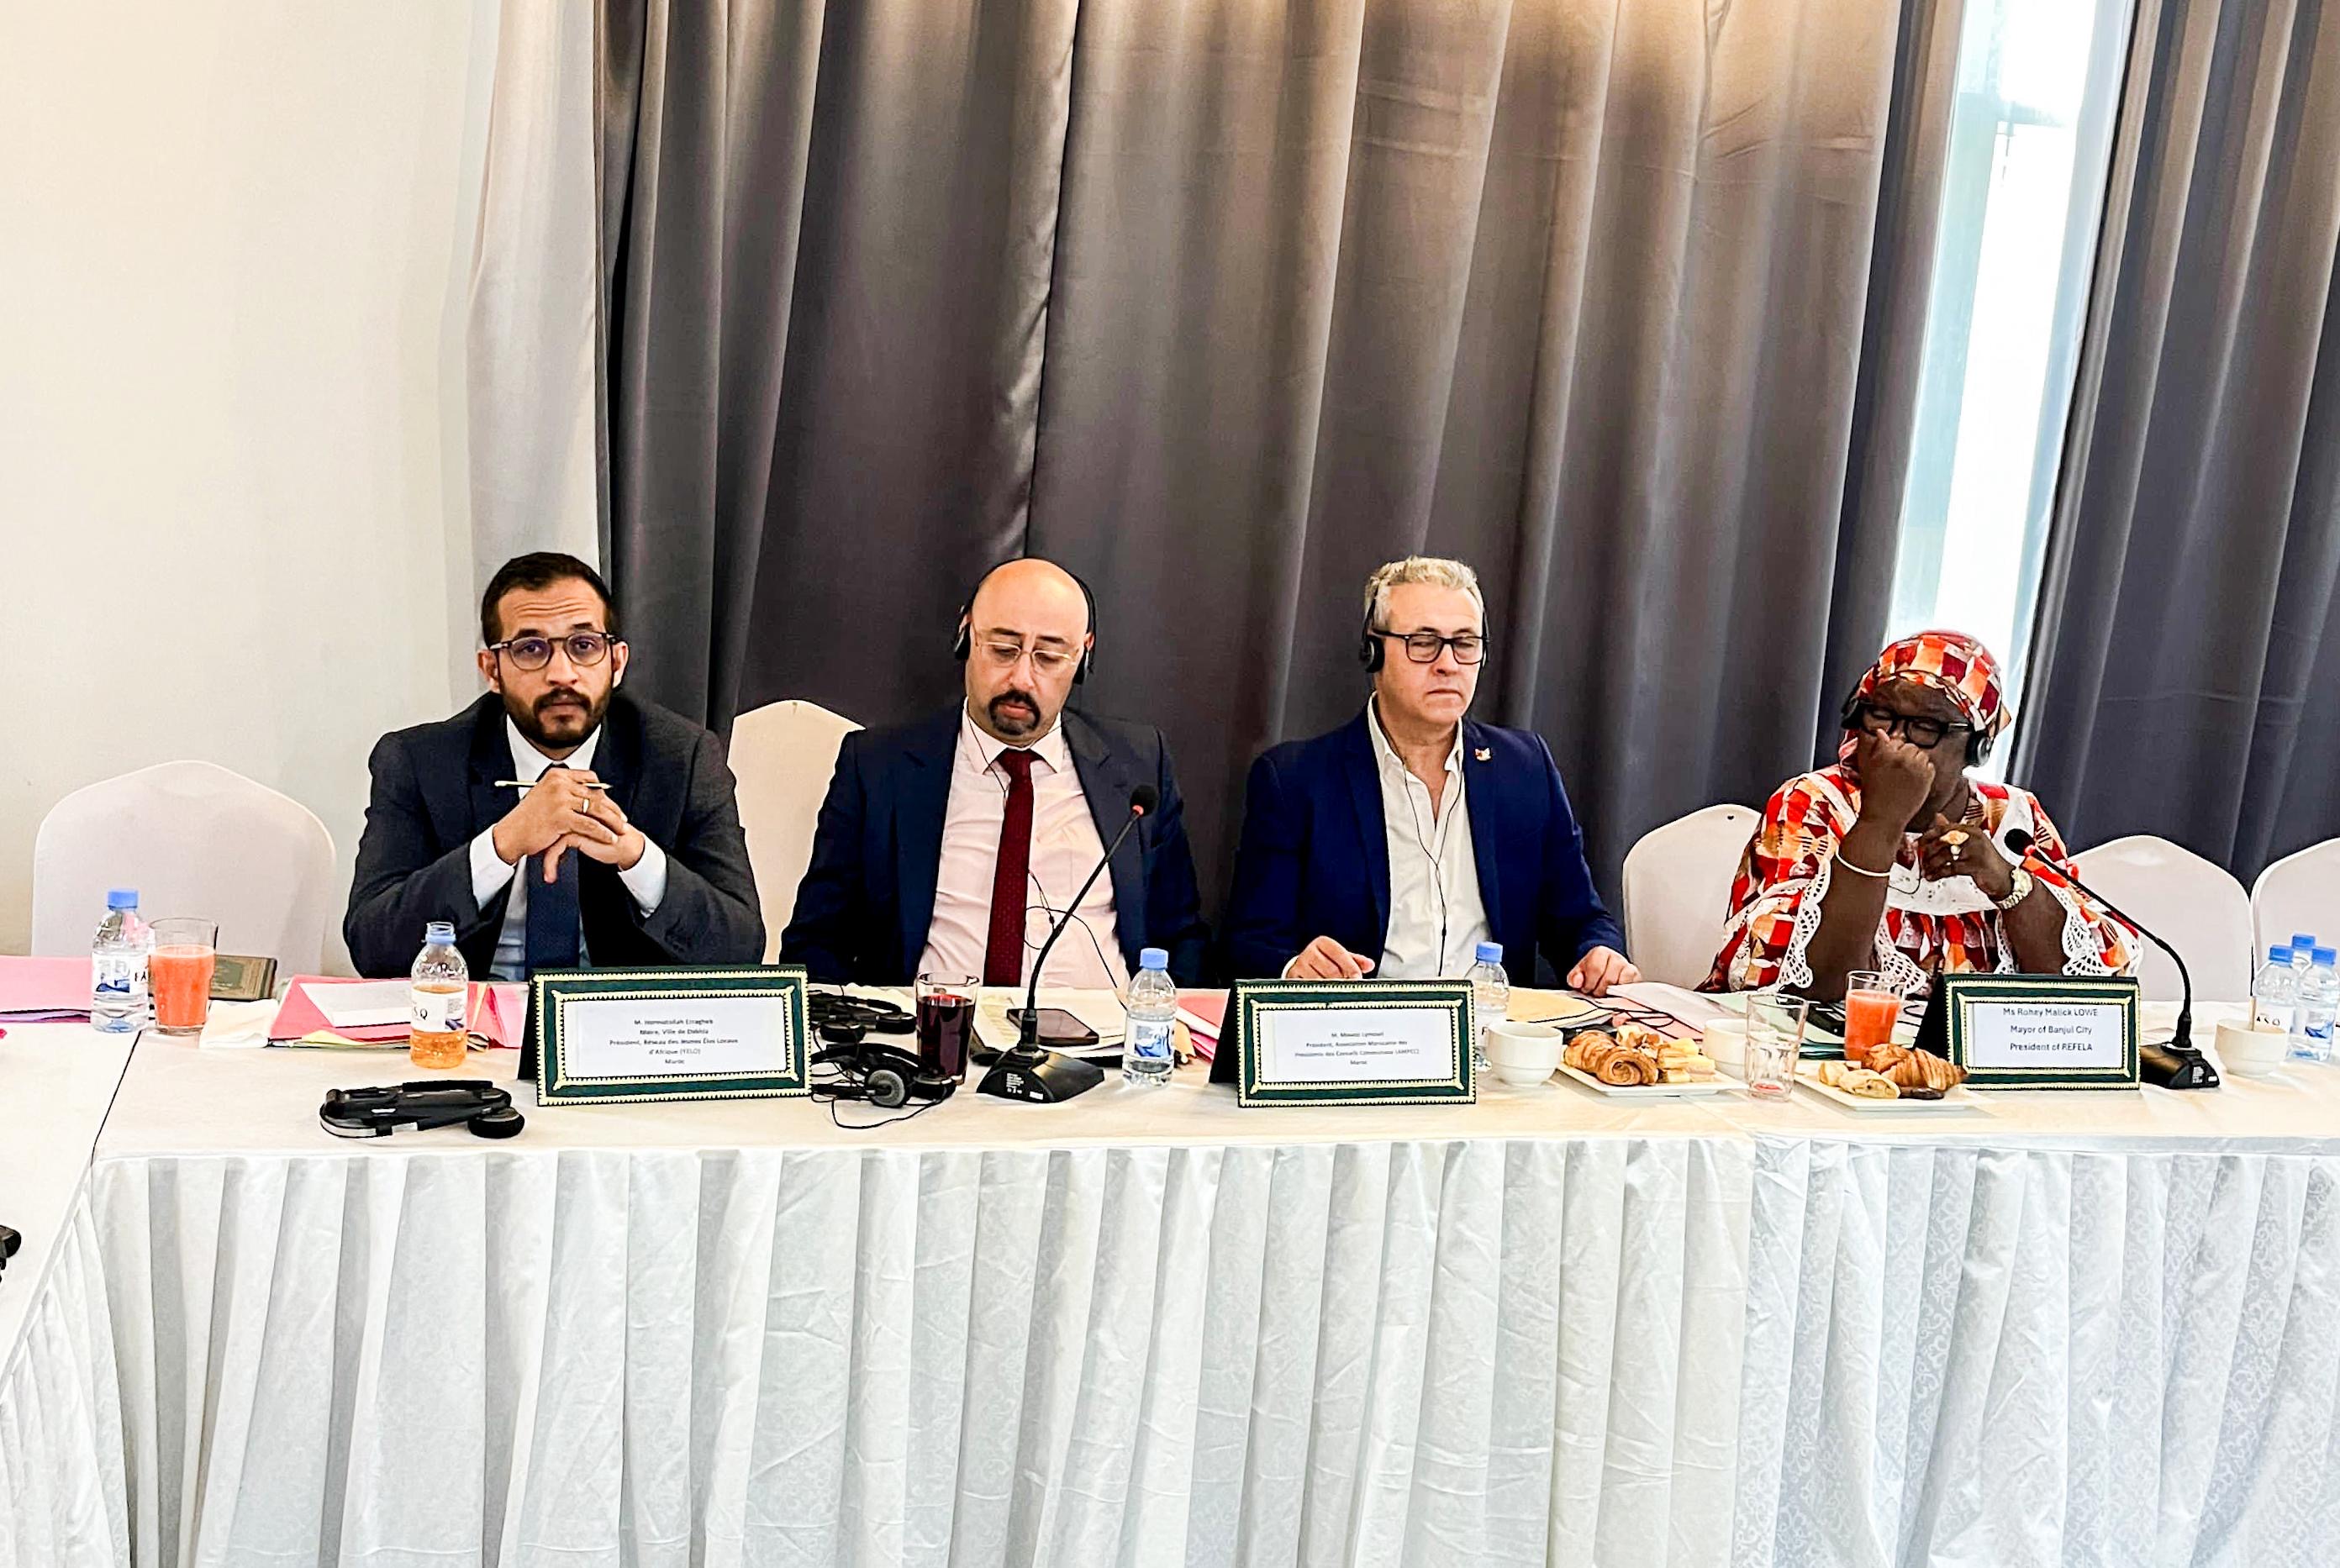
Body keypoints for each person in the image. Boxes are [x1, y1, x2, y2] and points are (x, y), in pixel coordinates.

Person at [781, 557, 1210, 987]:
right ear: (966, 635)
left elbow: (1180, 935)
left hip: (1102, 1026)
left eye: (1049, 657)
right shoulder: (878, 767)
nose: (1021, 679)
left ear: (1083, 655)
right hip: (932, 1023)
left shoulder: (1138, 763)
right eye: (1003, 650)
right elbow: (816, 942)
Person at [1220, 555, 1636, 993]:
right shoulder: (1295, 780)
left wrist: (1598, 952)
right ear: (1373, 651)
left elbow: (1580, 919)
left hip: (1490, 1024)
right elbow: (1248, 946)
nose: (1448, 664)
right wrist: (1294, 968)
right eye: (1423, 642)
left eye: (1465, 643)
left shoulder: (1526, 767)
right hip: (1362, 1026)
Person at [345, 551, 763, 981]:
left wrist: (638, 859)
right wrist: (501, 845)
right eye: (530, 649)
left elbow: (742, 949)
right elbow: (373, 947)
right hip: (472, 1013)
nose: (562, 674)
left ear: (617, 662)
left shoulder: (681, 758)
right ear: (492, 670)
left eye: (584, 646)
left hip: (615, 1015)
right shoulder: (420, 762)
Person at [1705, 629, 2133, 998]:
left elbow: (2082, 995)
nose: (1895, 740)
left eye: (1927, 727)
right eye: (1881, 715)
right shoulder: (1814, 802)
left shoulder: (2014, 818)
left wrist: (2005, 882)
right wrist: (1881, 822)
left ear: (1977, 748)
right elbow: (1810, 988)